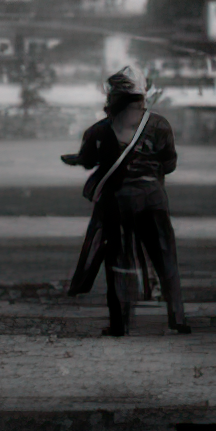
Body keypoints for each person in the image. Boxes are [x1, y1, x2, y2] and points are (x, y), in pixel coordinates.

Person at [66, 76, 188, 337]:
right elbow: (170, 164)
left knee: (118, 262)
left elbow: (88, 161)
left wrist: (76, 160)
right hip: (154, 199)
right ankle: (178, 319)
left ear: (113, 99)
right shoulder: (159, 124)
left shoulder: (99, 129)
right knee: (166, 258)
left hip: (118, 203)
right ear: (142, 98)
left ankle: (120, 325)